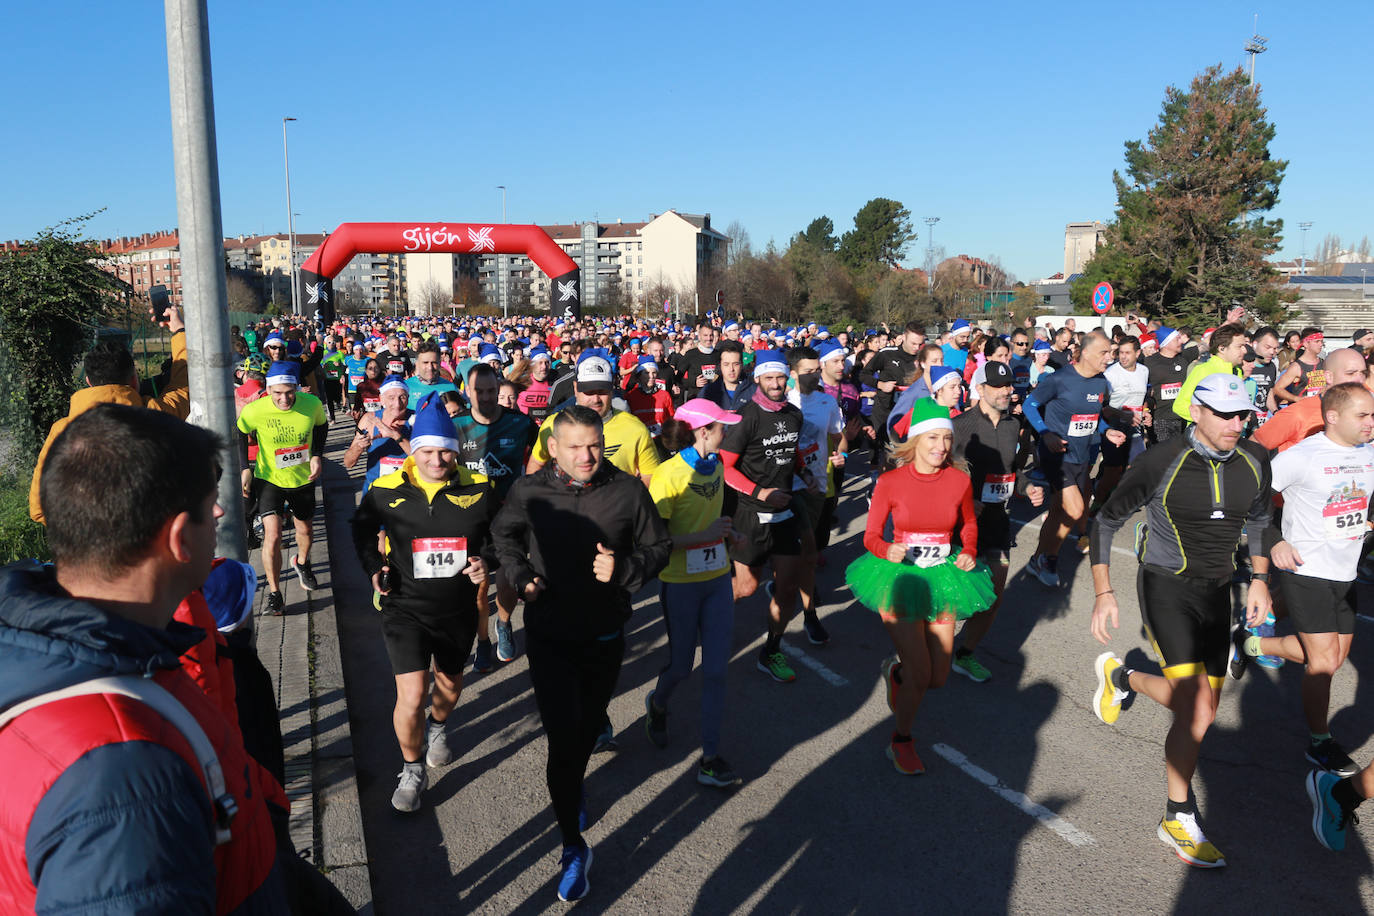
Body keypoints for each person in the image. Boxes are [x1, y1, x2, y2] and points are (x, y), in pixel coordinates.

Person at [1, 404, 291, 913]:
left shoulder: (101, 654)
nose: (220, 514)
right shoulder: (123, 777)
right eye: (209, 503)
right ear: (180, 538)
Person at [1088, 374, 1274, 868]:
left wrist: (1259, 579)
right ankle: (1177, 815)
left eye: (1244, 415)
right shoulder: (1160, 461)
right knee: (1196, 712)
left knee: (1204, 711)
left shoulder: (1255, 460)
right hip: (1166, 586)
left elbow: (1259, 520)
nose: (1238, 424)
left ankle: (1122, 676)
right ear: (1198, 413)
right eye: (1227, 415)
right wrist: (1103, 591)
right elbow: (1105, 521)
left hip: (1218, 592)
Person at [491, 407, 672, 902]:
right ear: (553, 447)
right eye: (574, 446)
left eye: (593, 445)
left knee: (588, 728)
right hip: (549, 634)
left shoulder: (628, 491)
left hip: (603, 635)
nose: (586, 456)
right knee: (562, 742)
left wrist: (625, 568)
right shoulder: (529, 491)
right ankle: (573, 846)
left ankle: (573, 783)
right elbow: (503, 537)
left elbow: (660, 548)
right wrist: (519, 576)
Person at [350, 395, 496, 812]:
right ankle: (412, 769)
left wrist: (487, 562)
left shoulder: (481, 489)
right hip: (404, 607)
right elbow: (361, 530)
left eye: (446, 450)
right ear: (414, 451)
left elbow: (501, 538)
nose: (437, 459)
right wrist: (372, 568)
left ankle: (439, 726)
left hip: (456, 608)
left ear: (457, 450)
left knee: (448, 686)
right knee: (411, 695)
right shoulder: (385, 489)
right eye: (428, 451)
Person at [1230, 383, 1374, 779]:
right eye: (1363, 415)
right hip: (1305, 569)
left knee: (1333, 658)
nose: (1370, 422)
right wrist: (1275, 540)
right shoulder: (1302, 457)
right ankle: (1319, 742)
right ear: (1332, 416)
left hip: (1345, 572)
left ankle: (1248, 642)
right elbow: (1248, 500)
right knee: (1323, 662)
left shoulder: (1368, 453)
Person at [845, 398, 996, 773]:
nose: (941, 447)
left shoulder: (959, 480)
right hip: (900, 578)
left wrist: (971, 550)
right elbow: (870, 535)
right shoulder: (891, 481)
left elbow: (969, 524)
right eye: (932, 438)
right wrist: (886, 548)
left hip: (943, 575)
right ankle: (901, 740)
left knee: (938, 678)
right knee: (920, 670)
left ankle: (895, 675)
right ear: (914, 441)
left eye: (946, 439)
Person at [643, 400, 744, 788]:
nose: (727, 432)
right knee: (682, 668)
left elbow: (713, 518)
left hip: (717, 579)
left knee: (717, 670)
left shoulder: (716, 465)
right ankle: (658, 703)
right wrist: (701, 538)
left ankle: (710, 757)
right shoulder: (669, 475)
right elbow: (655, 541)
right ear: (703, 431)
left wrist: (729, 534)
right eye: (722, 427)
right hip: (680, 584)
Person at [29, 304, 189, 523]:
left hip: (87, 550)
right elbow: (185, 384)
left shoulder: (61, 432)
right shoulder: (155, 416)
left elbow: (39, 507)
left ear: (88, 382)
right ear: (134, 379)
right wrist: (179, 331)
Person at [720, 350, 817, 683]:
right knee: (746, 587)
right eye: (769, 378)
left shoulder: (793, 414)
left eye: (781, 378)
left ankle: (771, 651)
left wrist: (804, 474)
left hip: (785, 510)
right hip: (750, 512)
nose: (776, 384)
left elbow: (791, 452)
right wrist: (760, 493)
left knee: (787, 586)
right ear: (758, 379)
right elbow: (725, 467)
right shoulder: (746, 417)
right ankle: (711, 615)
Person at [949, 363, 1044, 682]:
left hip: (998, 524)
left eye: (1009, 386)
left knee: (993, 597)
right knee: (954, 596)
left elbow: (1008, 472)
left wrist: (1026, 486)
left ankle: (965, 654)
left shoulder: (1011, 425)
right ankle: (931, 647)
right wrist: (963, 503)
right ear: (980, 390)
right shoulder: (959, 426)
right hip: (963, 527)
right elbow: (940, 474)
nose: (1007, 391)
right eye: (999, 386)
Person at [1023, 332, 1129, 588]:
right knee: (1075, 510)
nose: (1110, 357)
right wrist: (1045, 433)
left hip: (1082, 456)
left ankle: (1039, 559)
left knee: (1060, 511)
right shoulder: (1058, 379)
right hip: (1057, 456)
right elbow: (1029, 405)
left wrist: (1106, 430)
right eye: (1105, 353)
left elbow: (1095, 417)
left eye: (1111, 353)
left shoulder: (1101, 383)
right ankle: (1048, 557)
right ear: (1087, 353)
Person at [454, 362, 539, 666]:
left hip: (508, 519)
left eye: (492, 390)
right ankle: (483, 640)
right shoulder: (456, 425)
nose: (487, 397)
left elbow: (543, 456)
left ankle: (503, 624)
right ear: (467, 391)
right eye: (480, 391)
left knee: (505, 583)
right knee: (478, 590)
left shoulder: (520, 423)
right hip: (470, 518)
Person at [237, 361, 328, 615]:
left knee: (305, 530)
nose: (285, 398)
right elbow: (239, 432)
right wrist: (245, 467)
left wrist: (317, 455)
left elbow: (321, 426)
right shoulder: (256, 410)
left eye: (290, 392)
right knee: (273, 535)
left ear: (297, 388)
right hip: (269, 479)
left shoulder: (311, 405)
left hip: (302, 478)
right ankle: (275, 594)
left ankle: (302, 562)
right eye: (277, 393)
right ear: (268, 391)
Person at [527, 350, 660, 486]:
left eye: (602, 392)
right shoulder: (553, 425)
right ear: (575, 388)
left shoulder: (635, 429)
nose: (596, 399)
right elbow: (536, 464)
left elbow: (651, 478)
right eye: (589, 392)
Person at [786, 345, 843, 645]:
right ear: (792, 373)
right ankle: (807, 610)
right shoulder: (782, 402)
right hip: (785, 487)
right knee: (805, 550)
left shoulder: (827, 402)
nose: (814, 376)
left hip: (816, 485)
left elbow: (837, 437)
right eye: (807, 372)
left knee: (806, 551)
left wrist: (840, 453)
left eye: (816, 370)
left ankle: (800, 600)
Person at [1253, 348, 1369, 454]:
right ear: (1329, 377)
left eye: (1363, 373)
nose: (1359, 380)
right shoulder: (1299, 412)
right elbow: (1253, 447)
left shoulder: (1368, 412)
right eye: (1350, 373)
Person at [1096, 334, 1151, 508]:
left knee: (1138, 465)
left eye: (1128, 353)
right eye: (1121, 352)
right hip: (1114, 427)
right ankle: (1097, 500)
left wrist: (1146, 411)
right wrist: (1122, 415)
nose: (1123, 357)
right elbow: (1102, 407)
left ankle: (1122, 498)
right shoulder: (1110, 374)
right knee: (1113, 471)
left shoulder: (1144, 371)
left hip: (1134, 428)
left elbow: (1142, 397)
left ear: (1138, 353)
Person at [341, 374, 411, 491]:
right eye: (391, 398)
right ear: (381, 399)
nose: (397, 404)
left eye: (402, 397)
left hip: (408, 494)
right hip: (376, 494)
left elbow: (425, 460)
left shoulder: (418, 419)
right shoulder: (370, 419)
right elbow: (348, 463)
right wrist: (359, 447)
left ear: (408, 398)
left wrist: (396, 436)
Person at [1171, 324, 1247, 421]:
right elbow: (1180, 406)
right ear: (1222, 348)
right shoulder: (1203, 370)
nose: (1245, 351)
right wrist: (1209, 420)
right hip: (1204, 434)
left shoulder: (1237, 372)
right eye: (1240, 346)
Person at [1143, 327, 1191, 443]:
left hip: (1182, 417)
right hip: (1160, 419)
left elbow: (1208, 343)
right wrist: (1144, 408)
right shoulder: (1149, 362)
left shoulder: (1183, 357)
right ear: (1166, 343)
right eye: (1177, 339)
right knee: (1164, 457)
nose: (1181, 342)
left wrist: (1228, 322)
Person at [1274, 327, 1327, 406]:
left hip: (1319, 411)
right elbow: (1278, 389)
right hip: (1302, 411)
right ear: (1306, 344)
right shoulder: (1296, 367)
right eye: (1317, 341)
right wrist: (1296, 399)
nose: (1321, 344)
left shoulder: (1324, 363)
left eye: (1321, 341)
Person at [700, 339, 756, 410]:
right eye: (726, 364)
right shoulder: (708, 392)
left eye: (735, 364)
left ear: (741, 365)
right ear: (720, 366)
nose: (731, 369)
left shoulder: (754, 392)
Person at [676, 320, 720, 401]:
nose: (709, 338)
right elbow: (678, 378)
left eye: (711, 335)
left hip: (715, 399)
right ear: (699, 336)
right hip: (695, 398)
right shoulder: (690, 354)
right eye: (705, 335)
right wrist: (693, 382)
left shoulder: (718, 354)